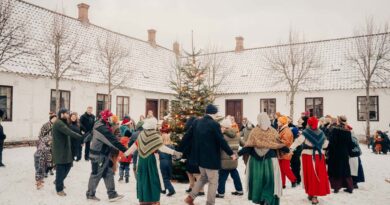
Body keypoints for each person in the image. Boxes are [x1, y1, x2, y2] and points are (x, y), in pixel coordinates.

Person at [184, 104, 236, 205]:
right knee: (213, 181)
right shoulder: (214, 124)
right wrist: (231, 153)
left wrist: (179, 150)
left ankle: (190, 197)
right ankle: (210, 203)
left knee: (203, 177)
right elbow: (221, 141)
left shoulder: (197, 122)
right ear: (214, 113)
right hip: (211, 159)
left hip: (200, 158)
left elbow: (188, 136)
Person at [124, 117, 182, 205]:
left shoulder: (141, 135)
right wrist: (174, 152)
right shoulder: (156, 136)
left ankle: (143, 200)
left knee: (143, 180)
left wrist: (125, 153)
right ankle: (154, 200)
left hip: (142, 161)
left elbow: (134, 147)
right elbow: (162, 148)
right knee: (153, 180)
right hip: (152, 161)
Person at [238, 112, 287, 205]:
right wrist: (286, 149)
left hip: (256, 161)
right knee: (271, 180)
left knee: (258, 180)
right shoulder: (273, 131)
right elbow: (279, 144)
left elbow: (248, 146)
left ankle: (261, 199)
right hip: (271, 160)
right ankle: (268, 198)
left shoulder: (255, 131)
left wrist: (238, 154)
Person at [86, 110, 130, 202]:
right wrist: (126, 151)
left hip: (104, 154)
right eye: (110, 118)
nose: (112, 119)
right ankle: (90, 194)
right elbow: (113, 141)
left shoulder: (101, 125)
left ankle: (112, 194)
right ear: (105, 118)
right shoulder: (102, 128)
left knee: (108, 173)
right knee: (96, 174)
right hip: (98, 156)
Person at [290, 117, 330, 205]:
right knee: (316, 175)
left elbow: (298, 141)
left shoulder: (306, 132)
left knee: (311, 175)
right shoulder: (321, 133)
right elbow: (326, 144)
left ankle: (313, 195)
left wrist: (291, 148)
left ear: (309, 124)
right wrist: (318, 146)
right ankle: (312, 194)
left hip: (308, 156)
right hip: (319, 156)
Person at [52, 108, 83, 196]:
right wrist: (81, 137)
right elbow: (69, 132)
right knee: (61, 169)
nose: (68, 115)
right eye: (66, 113)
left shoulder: (64, 122)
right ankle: (59, 189)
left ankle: (59, 181)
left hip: (65, 150)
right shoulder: (58, 123)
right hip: (60, 150)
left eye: (68, 113)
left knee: (69, 165)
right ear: (61, 114)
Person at [177, 117, 205, 196]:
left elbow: (184, 142)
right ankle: (192, 186)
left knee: (196, 172)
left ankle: (201, 190)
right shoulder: (194, 131)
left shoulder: (195, 131)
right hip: (190, 154)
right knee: (189, 171)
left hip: (196, 154)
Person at [216, 118, 243, 198]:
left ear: (225, 127)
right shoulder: (237, 135)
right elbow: (243, 144)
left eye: (222, 126)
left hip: (224, 161)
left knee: (222, 178)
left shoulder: (222, 137)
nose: (221, 128)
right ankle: (240, 190)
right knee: (235, 175)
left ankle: (221, 193)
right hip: (234, 159)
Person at [327, 115, 354, 193]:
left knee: (336, 169)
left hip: (335, 153)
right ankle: (350, 187)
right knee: (346, 169)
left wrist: (328, 150)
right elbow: (350, 144)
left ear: (339, 120)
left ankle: (336, 187)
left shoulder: (335, 130)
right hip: (344, 153)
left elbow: (332, 142)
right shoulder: (348, 131)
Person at [34, 112, 57, 189]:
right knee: (41, 165)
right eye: (53, 118)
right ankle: (39, 181)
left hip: (50, 147)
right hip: (44, 148)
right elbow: (40, 135)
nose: (55, 119)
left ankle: (42, 177)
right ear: (51, 119)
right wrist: (46, 142)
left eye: (56, 118)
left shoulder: (57, 126)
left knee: (46, 163)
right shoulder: (45, 126)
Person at [277, 116, 297, 188]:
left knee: (285, 168)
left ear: (282, 122)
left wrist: (276, 142)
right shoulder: (282, 129)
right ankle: (282, 184)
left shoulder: (287, 130)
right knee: (281, 168)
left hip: (286, 152)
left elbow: (286, 142)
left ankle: (293, 180)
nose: (277, 122)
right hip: (281, 152)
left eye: (278, 121)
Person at [159, 126, 176, 196]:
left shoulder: (160, 146)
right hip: (169, 162)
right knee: (167, 176)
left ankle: (171, 189)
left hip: (163, 162)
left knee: (164, 177)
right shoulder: (171, 146)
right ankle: (163, 189)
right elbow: (174, 155)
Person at [346, 124, 365, 189]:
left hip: (352, 155)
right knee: (355, 169)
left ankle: (353, 183)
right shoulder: (354, 136)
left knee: (352, 169)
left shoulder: (350, 136)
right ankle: (354, 183)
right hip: (356, 155)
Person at [288, 116, 302, 185]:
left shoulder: (294, 128)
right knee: (294, 165)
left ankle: (297, 179)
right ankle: (296, 179)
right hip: (295, 149)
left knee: (295, 165)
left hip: (296, 149)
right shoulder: (293, 128)